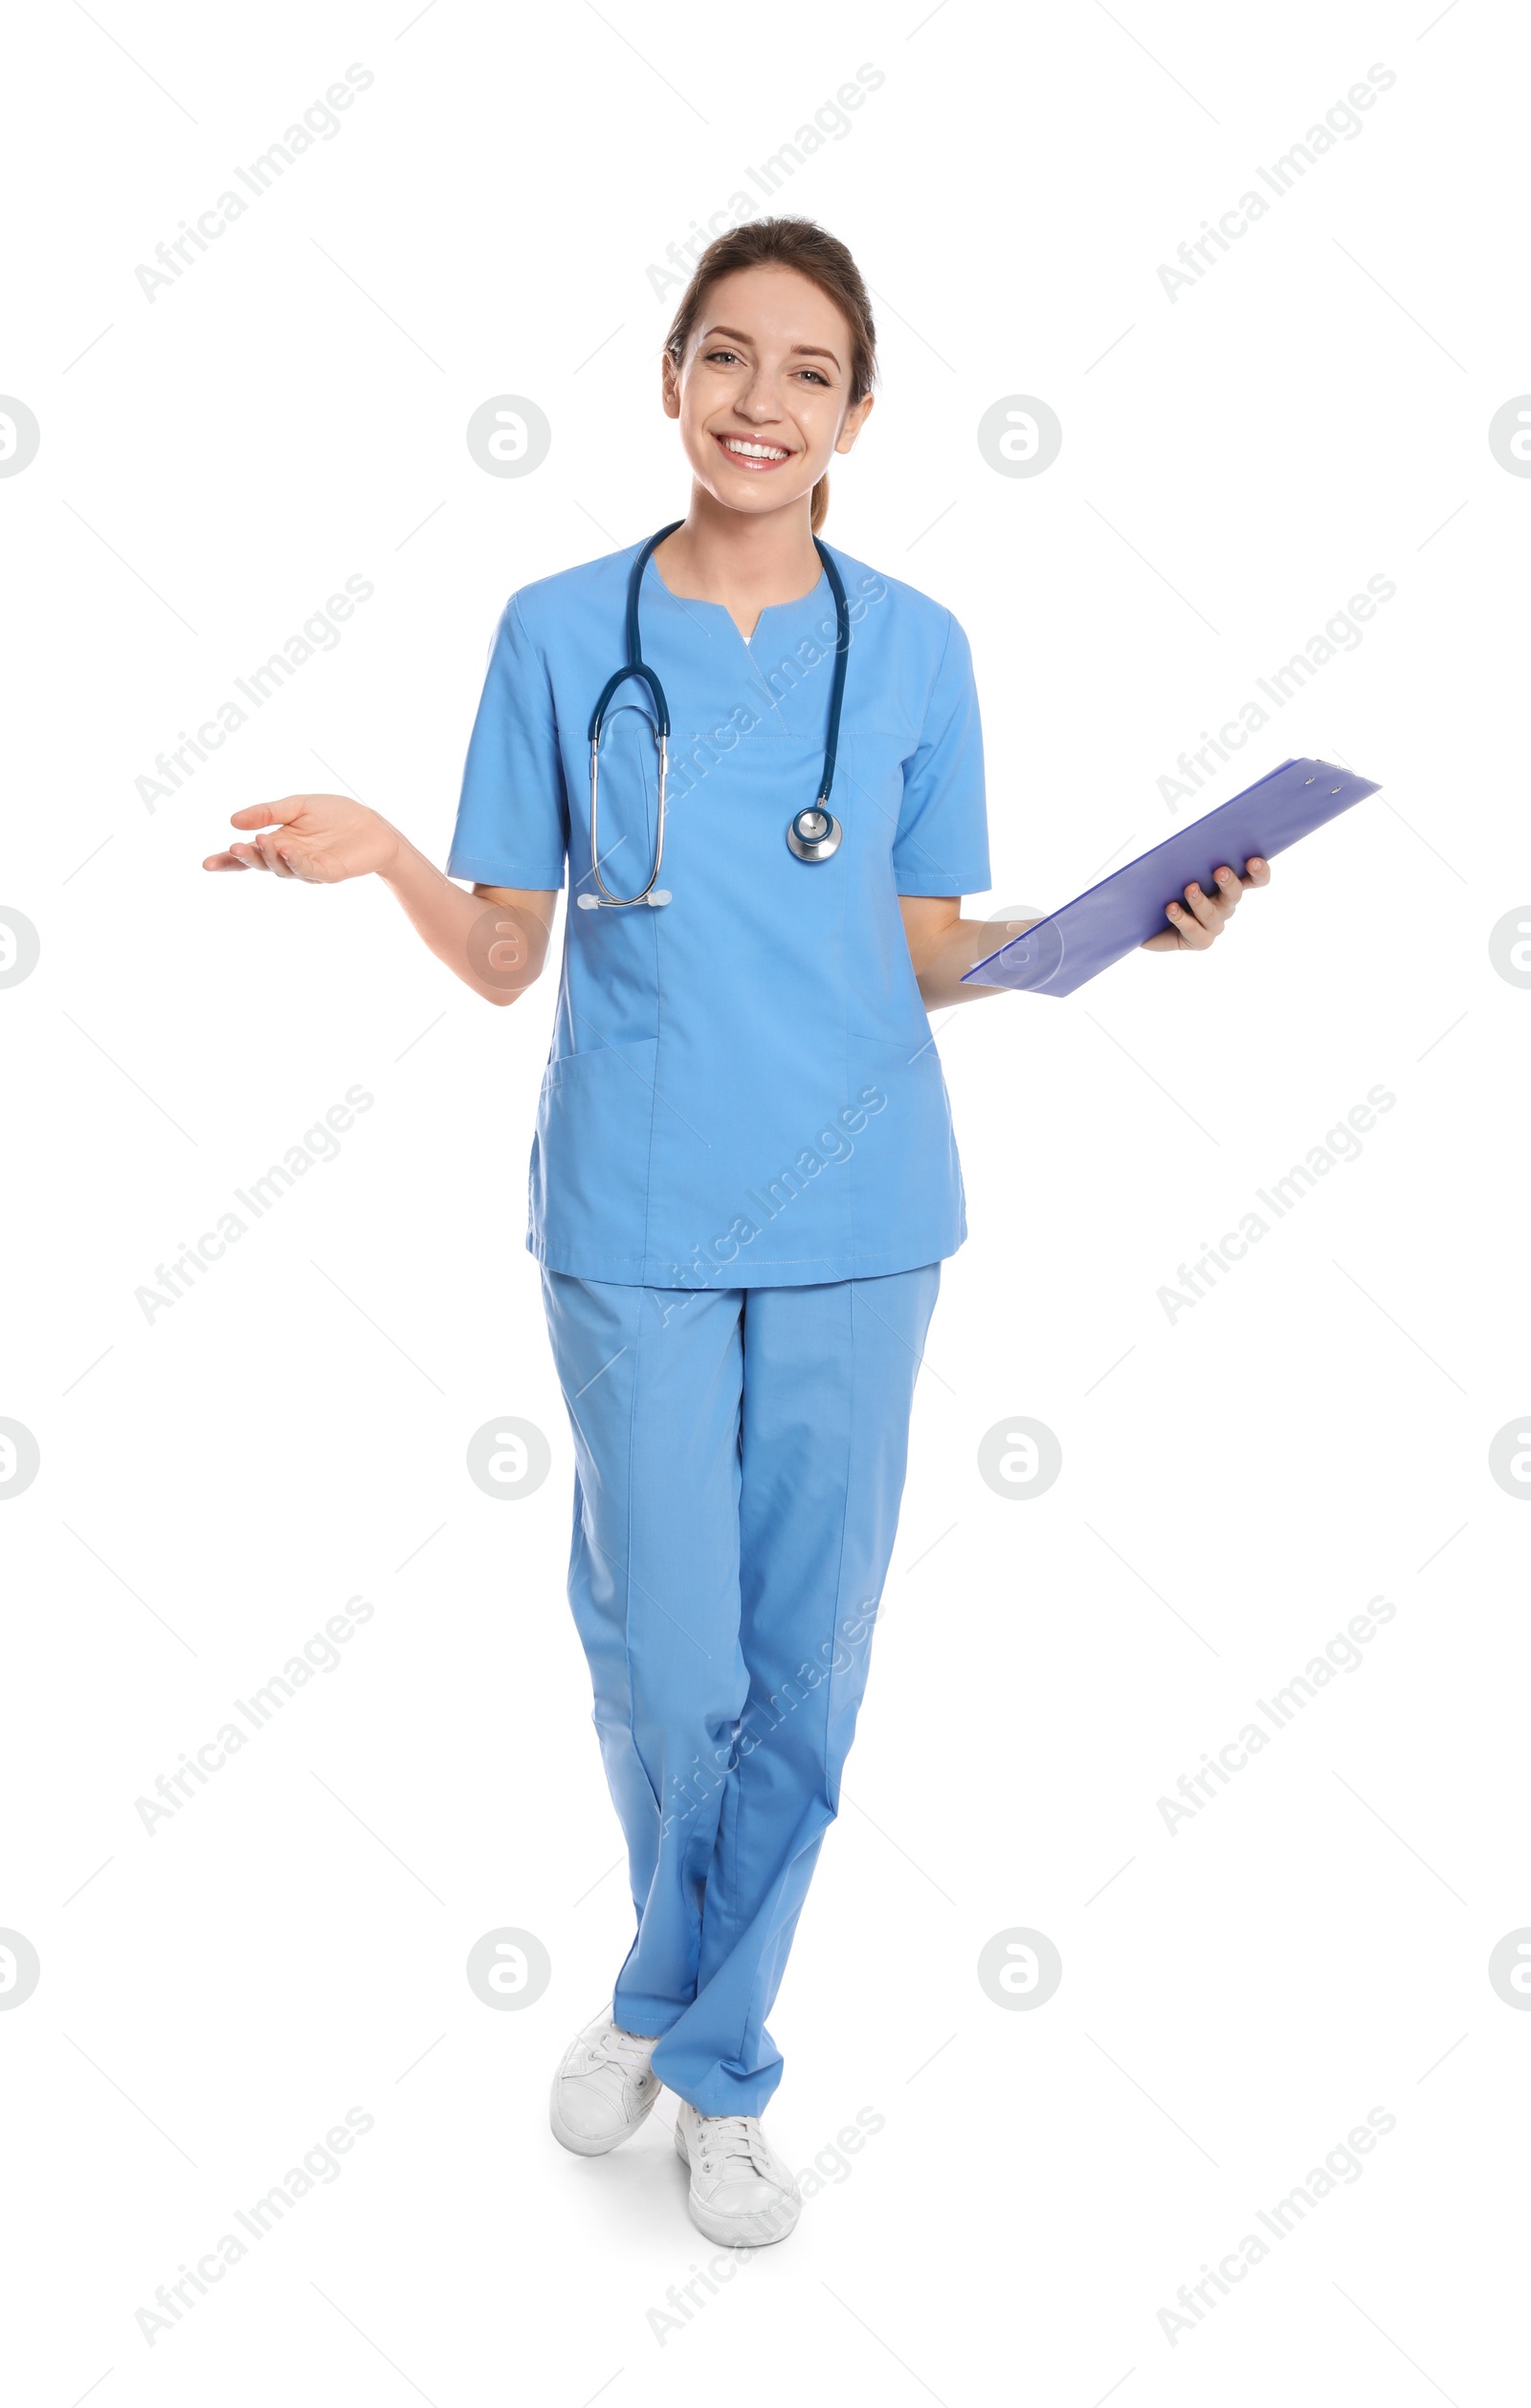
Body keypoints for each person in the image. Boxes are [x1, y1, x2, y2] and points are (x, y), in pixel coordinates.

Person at [203, 216, 1268, 2250]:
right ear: (668, 382)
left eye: (803, 369)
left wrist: (1130, 926)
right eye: (722, 355)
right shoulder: (550, 629)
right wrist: (389, 860)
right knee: (662, 1649)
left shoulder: (921, 647)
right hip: (632, 1201)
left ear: (858, 414)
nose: (757, 399)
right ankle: (683, 1994)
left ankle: (706, 2048)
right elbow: (511, 955)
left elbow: (927, 946)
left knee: (808, 1661)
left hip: (865, 1210)